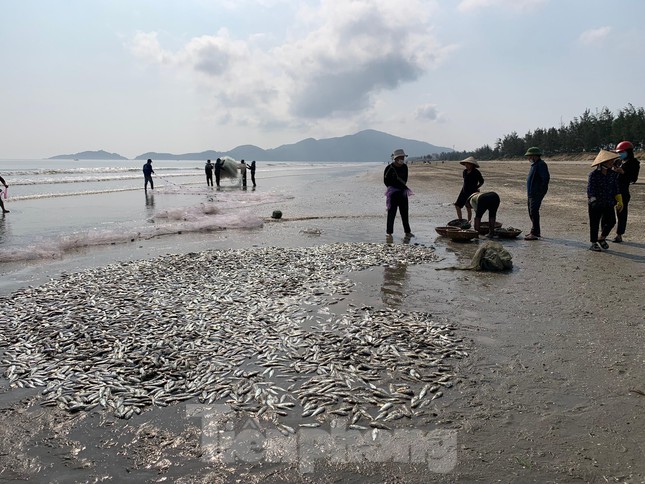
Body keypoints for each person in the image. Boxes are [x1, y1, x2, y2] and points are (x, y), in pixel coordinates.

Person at [587, 149, 623, 252]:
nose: (612, 163)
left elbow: (616, 188)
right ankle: (594, 243)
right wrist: (593, 201)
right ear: (603, 162)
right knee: (594, 224)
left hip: (609, 202)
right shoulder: (593, 175)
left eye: (612, 161)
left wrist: (620, 201)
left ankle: (602, 238)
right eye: (610, 161)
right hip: (596, 204)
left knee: (612, 221)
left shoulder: (612, 174)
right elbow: (590, 189)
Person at [611, 141, 640, 242]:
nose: (620, 154)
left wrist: (623, 172)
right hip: (611, 190)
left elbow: (633, 179)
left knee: (622, 214)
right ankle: (604, 233)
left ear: (628, 151)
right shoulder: (618, 161)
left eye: (622, 152)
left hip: (623, 191)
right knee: (607, 212)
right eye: (619, 152)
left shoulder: (634, 163)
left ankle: (619, 235)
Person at [384, 148, 413, 241]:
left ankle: (407, 232)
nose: (402, 159)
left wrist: (400, 187)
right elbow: (386, 181)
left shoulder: (405, 167)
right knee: (391, 214)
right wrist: (393, 187)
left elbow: (405, 179)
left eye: (403, 157)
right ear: (395, 158)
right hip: (393, 194)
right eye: (400, 157)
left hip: (403, 193)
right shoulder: (389, 168)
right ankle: (389, 233)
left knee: (404, 213)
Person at [524, 147, 550, 240]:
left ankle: (534, 232)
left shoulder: (541, 164)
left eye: (529, 156)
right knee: (531, 212)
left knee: (534, 211)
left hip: (536, 193)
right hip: (531, 192)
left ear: (534, 156)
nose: (528, 158)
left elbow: (545, 179)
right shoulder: (534, 165)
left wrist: (540, 191)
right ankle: (535, 231)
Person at [454, 156, 484, 221]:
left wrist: (476, 188)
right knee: (457, 205)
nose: (466, 165)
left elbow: (482, 181)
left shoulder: (476, 172)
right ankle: (460, 220)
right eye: (465, 164)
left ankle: (468, 221)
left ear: (472, 165)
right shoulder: (464, 172)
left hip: (472, 192)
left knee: (468, 207)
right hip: (463, 191)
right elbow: (465, 182)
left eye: (468, 164)